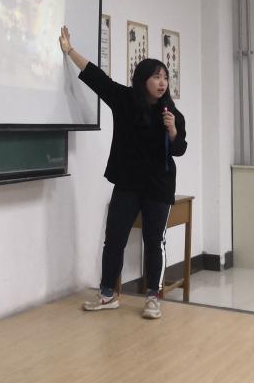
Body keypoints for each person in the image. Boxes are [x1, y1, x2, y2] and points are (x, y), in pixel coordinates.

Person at [59, 25, 187, 320]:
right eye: (156, 77)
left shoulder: (171, 113)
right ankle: (107, 294)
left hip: (158, 186)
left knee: (154, 241)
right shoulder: (125, 100)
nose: (162, 82)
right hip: (127, 183)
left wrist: (172, 130)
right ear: (143, 80)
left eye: (165, 77)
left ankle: (153, 297)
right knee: (114, 238)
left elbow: (179, 149)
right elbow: (97, 79)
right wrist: (69, 51)